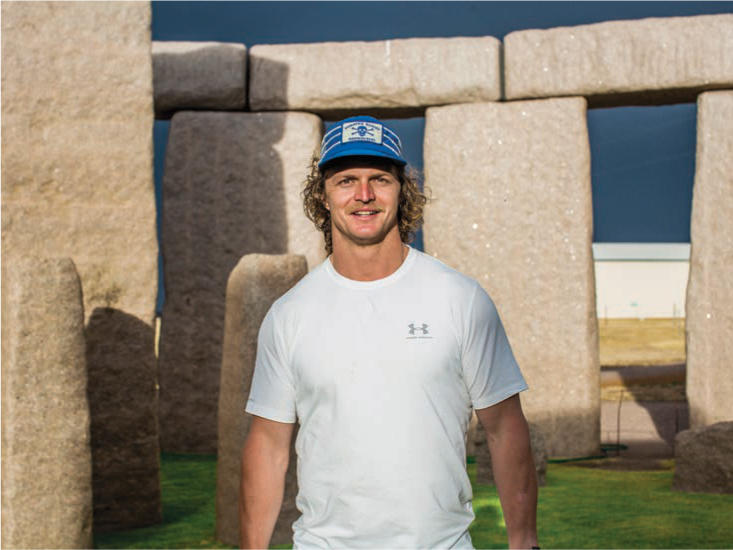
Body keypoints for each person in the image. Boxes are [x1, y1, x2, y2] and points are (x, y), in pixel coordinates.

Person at [239, 115, 539, 549]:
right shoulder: (289, 314)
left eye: (380, 179)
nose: (364, 195)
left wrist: (525, 542)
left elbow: (505, 427)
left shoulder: (461, 299)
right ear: (323, 196)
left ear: (402, 190)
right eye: (346, 181)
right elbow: (268, 445)